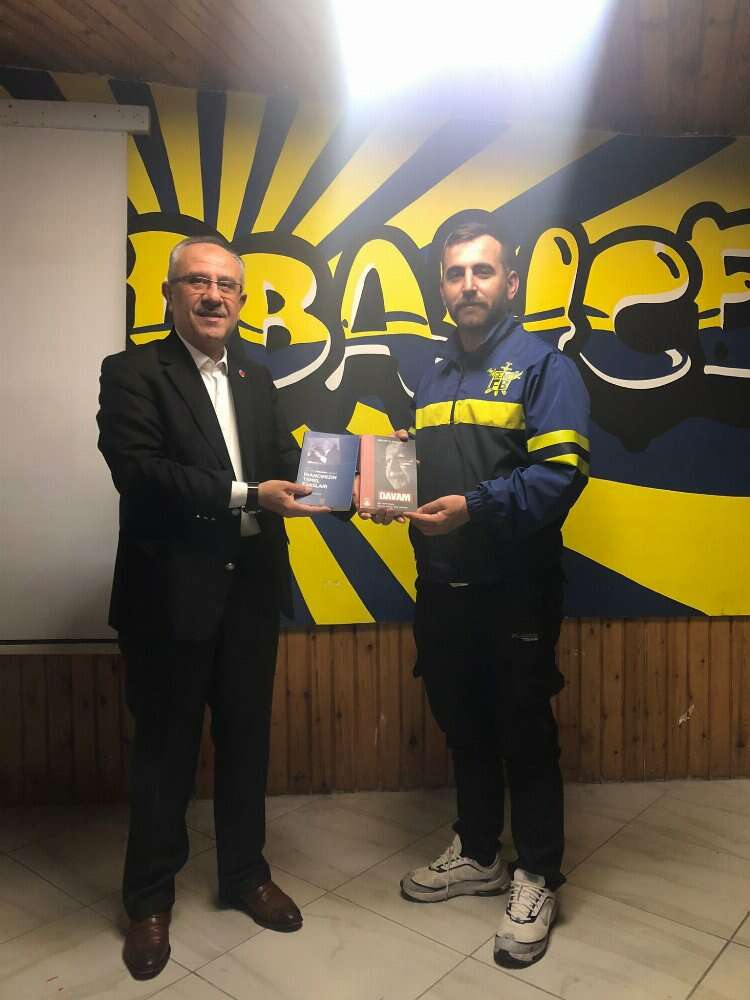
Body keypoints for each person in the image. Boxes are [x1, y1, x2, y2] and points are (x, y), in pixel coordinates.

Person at [97, 236, 330, 981]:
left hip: (251, 592)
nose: (213, 295)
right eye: (197, 281)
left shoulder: (257, 377)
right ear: (170, 294)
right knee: (163, 754)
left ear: (241, 299)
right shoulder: (132, 372)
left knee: (246, 743)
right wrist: (246, 495)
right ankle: (148, 902)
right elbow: (140, 473)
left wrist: (362, 470)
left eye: (227, 285)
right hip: (170, 597)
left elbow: (286, 465)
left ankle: (244, 877)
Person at [363, 222, 590, 968]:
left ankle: (538, 874)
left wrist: (474, 506)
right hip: (442, 586)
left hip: (515, 590)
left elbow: (560, 476)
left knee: (524, 731)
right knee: (462, 725)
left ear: (510, 283)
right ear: (441, 286)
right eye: (456, 272)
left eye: (482, 271)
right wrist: (396, 478)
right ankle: (481, 853)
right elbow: (440, 467)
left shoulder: (545, 368)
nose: (468, 284)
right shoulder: (432, 378)